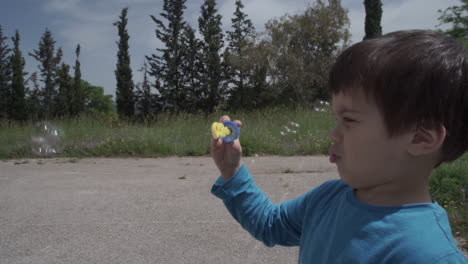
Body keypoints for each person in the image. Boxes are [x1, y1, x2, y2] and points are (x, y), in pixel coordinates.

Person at [210, 30, 468, 263]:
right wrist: (232, 171)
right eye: (336, 119)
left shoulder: (427, 255)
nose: (333, 134)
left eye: (349, 120)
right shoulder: (329, 197)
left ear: (421, 138)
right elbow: (270, 224)